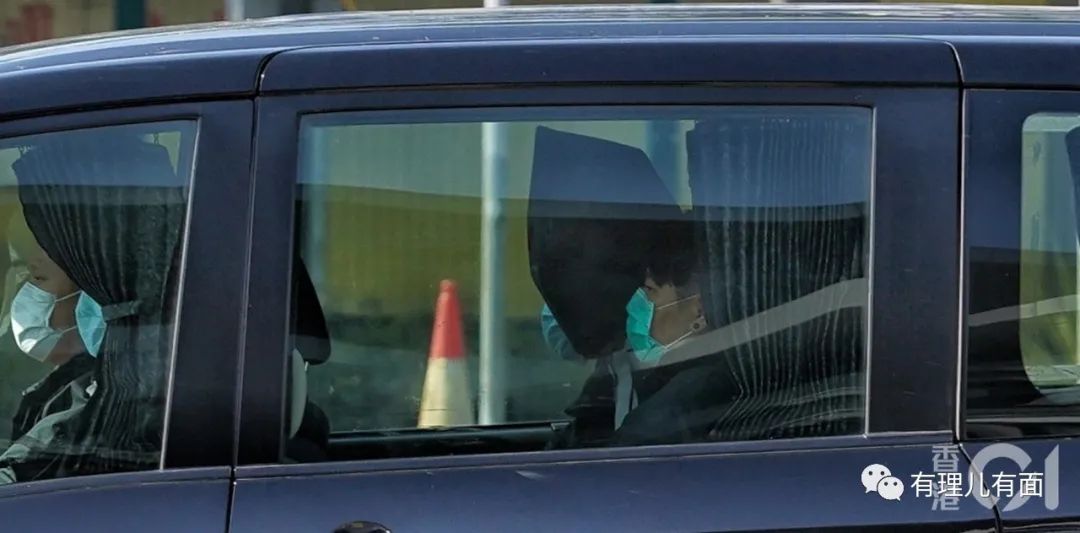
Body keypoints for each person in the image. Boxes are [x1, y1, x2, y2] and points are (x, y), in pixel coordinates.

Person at [5, 210, 104, 443]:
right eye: (21, 271)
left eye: (39, 278)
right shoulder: (13, 375)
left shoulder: (109, 383)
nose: (26, 289)